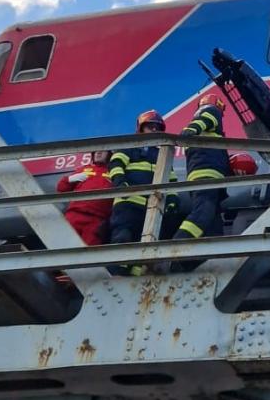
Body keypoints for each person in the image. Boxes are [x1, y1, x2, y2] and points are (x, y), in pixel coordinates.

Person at [108, 109, 169, 274]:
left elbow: (170, 178)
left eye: (157, 127)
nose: (154, 130)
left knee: (142, 246)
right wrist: (120, 182)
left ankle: (134, 279)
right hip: (127, 204)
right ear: (141, 129)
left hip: (149, 208)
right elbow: (115, 164)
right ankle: (117, 275)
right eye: (150, 127)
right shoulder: (130, 146)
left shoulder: (162, 153)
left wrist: (173, 199)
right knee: (122, 238)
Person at [169, 93, 229, 257]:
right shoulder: (210, 112)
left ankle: (210, 255)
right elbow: (206, 118)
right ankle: (176, 246)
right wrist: (192, 129)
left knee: (214, 222)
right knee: (203, 213)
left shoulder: (212, 136)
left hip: (210, 179)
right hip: (206, 178)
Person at [56, 151, 113, 246]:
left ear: (109, 155)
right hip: (75, 215)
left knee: (89, 253)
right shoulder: (84, 169)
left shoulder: (113, 172)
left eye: (103, 151)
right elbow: (61, 188)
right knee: (63, 246)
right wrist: (70, 179)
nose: (98, 153)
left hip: (97, 220)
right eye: (96, 151)